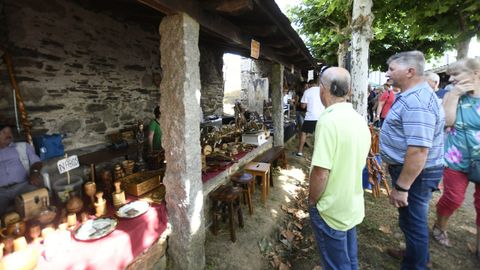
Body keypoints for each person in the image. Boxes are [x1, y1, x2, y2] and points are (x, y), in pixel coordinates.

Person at [380, 51, 445, 269]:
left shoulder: (417, 101)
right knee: (410, 221)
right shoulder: (412, 95)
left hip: (417, 173)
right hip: (413, 170)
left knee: (413, 222)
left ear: (410, 71)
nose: (387, 73)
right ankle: (414, 255)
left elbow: (418, 150)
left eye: (391, 69)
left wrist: (402, 186)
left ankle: (416, 264)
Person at [308, 67, 371, 269]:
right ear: (349, 90)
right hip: (350, 203)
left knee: (336, 264)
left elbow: (321, 172)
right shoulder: (359, 119)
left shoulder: (328, 121)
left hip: (331, 208)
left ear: (322, 89)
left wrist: (312, 200)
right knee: (349, 259)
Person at [433, 58, 480, 256]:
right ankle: (439, 227)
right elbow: (448, 122)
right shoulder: (452, 95)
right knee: (453, 198)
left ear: (475, 74)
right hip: (455, 158)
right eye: (449, 74)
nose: (450, 78)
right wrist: (455, 93)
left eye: (456, 74)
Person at [0, 123, 44, 216]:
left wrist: (35, 173)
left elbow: (36, 162)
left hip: (22, 185)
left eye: (9, 132)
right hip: (1, 191)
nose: (8, 135)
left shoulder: (22, 147)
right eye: (4, 132)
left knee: (36, 200)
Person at [296, 79, 324, 157]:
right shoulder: (322, 91)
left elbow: (303, 106)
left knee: (304, 133)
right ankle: (318, 154)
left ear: (309, 84)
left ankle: (300, 152)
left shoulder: (307, 92)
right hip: (321, 116)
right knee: (319, 135)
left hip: (310, 117)